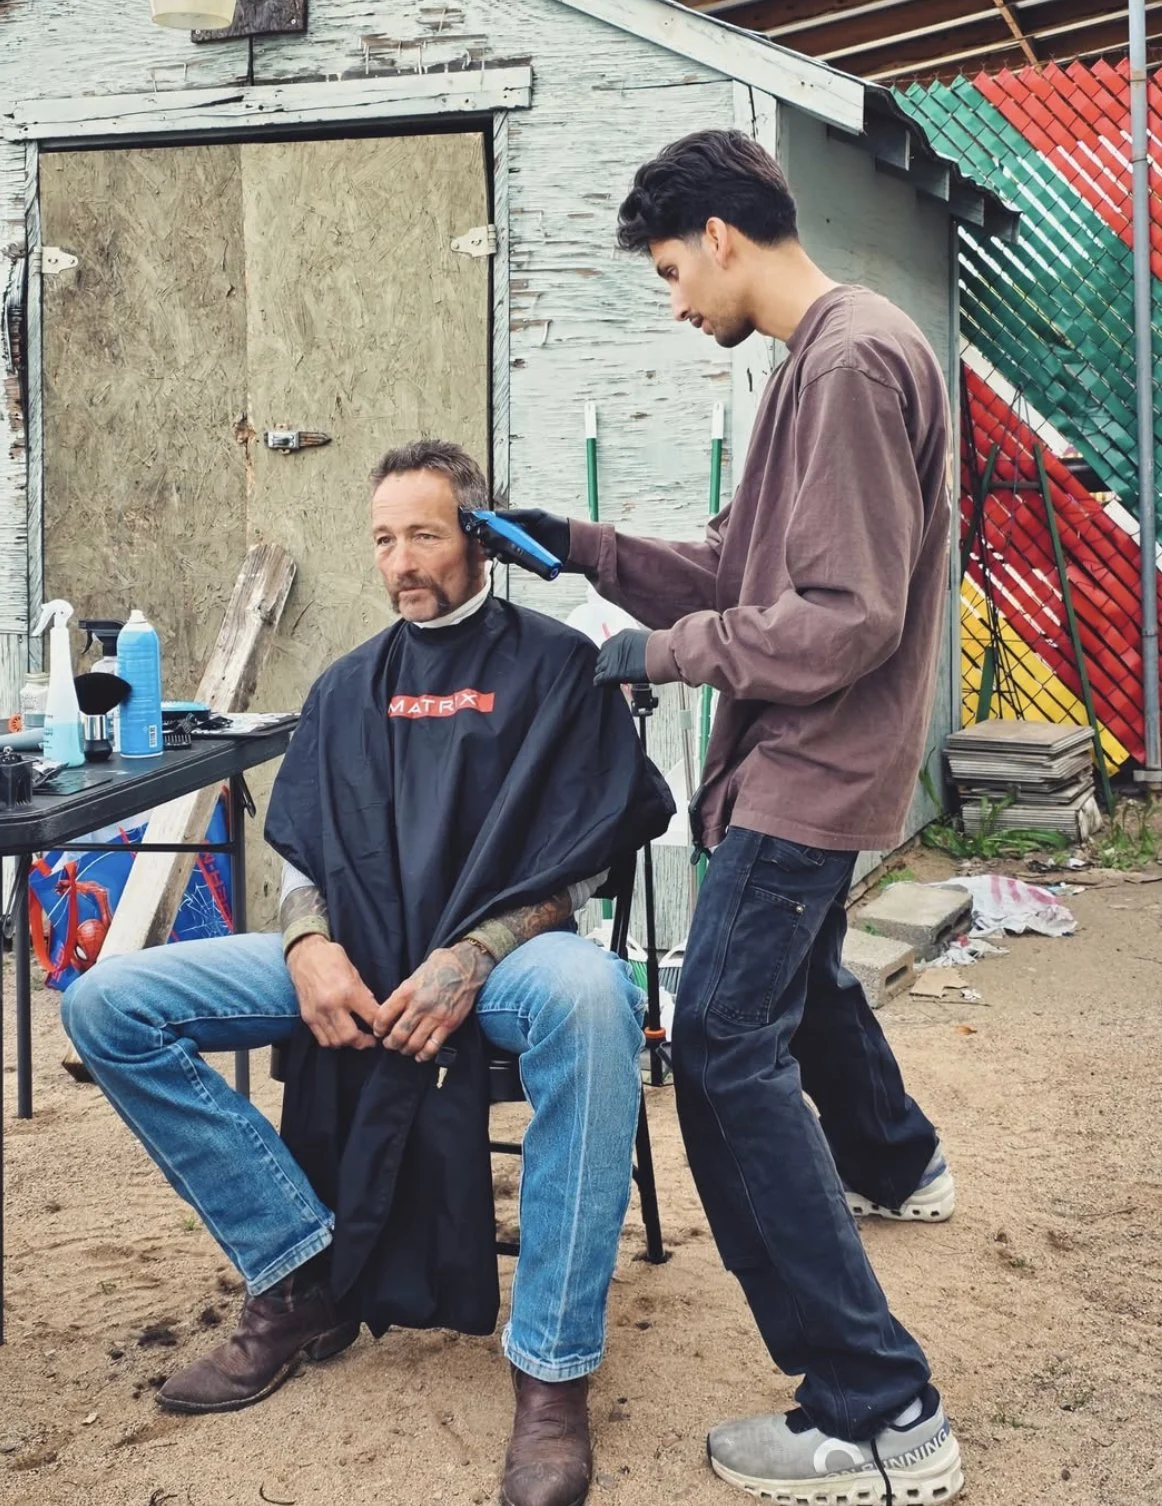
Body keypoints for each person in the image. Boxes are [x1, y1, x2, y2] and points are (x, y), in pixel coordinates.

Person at [62, 439, 673, 1506]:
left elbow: (583, 864)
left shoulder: (557, 669)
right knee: (109, 1002)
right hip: (356, 952)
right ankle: (299, 1272)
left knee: (592, 999)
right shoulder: (348, 688)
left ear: (478, 537)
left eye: (424, 534)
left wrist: (477, 954)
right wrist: (305, 943)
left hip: (509, 960)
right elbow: (300, 852)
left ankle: (550, 1372)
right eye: (383, 539)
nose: (400, 561)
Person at [508, 130, 964, 1505]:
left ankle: (876, 1409)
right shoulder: (818, 360)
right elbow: (731, 561)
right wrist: (578, 548)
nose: (670, 300)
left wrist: (656, 654)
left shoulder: (846, 361)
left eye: (665, 270)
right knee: (798, 981)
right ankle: (902, 1159)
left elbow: (841, 619)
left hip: (810, 769)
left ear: (719, 233)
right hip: (809, 762)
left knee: (715, 1039)